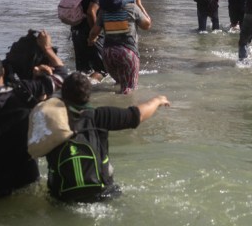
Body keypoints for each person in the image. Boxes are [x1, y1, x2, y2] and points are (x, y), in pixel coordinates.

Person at [0, 31, 68, 197]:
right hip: (26, 176)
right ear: (3, 71)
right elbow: (62, 76)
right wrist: (47, 49)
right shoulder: (26, 91)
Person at [46, 72, 171, 202]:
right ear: (88, 96)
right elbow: (137, 115)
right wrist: (157, 100)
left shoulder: (50, 122)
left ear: (62, 96)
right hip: (101, 193)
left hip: (62, 198)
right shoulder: (100, 116)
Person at [89, 0, 152, 94]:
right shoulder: (132, 7)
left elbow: (94, 32)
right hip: (127, 53)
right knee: (128, 92)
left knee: (118, 84)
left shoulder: (104, 10)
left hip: (108, 54)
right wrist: (140, 4)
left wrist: (91, 41)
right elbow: (147, 25)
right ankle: (123, 113)